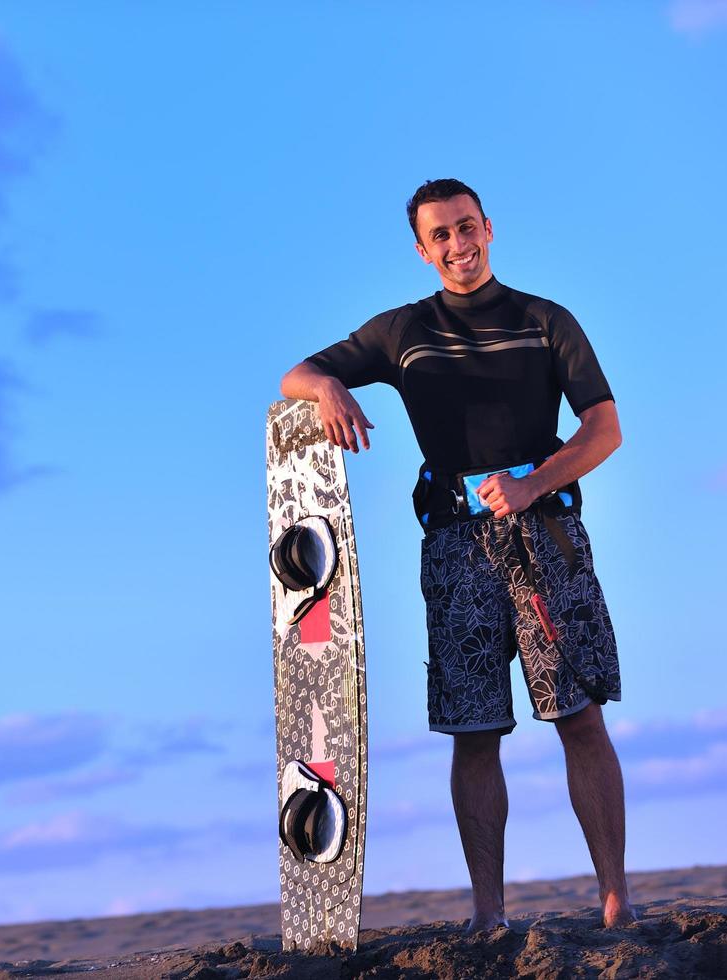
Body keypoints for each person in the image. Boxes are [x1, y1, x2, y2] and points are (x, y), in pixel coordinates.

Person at [279, 178, 635, 932]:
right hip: (453, 549)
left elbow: (603, 429)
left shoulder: (545, 320)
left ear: (489, 229)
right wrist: (328, 392)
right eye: (440, 235)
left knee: (579, 716)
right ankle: (488, 915)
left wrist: (535, 482)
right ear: (422, 249)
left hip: (547, 541)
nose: (457, 245)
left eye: (466, 228)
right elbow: (296, 374)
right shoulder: (403, 331)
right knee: (473, 733)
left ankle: (614, 899)